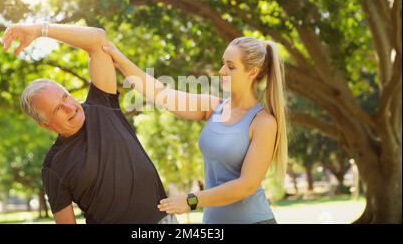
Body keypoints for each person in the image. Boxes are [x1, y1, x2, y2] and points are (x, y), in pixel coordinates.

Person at [1, 22, 177, 224]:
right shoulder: (54, 166)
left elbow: (98, 39)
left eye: (65, 97)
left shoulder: (101, 104)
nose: (69, 107)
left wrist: (41, 30)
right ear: (45, 124)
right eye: (57, 109)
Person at [102, 36, 287, 224]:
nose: (222, 71)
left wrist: (191, 200)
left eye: (231, 67)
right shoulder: (213, 107)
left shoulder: (263, 122)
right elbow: (161, 94)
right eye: (223, 64)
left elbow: (246, 186)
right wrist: (120, 60)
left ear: (252, 72)